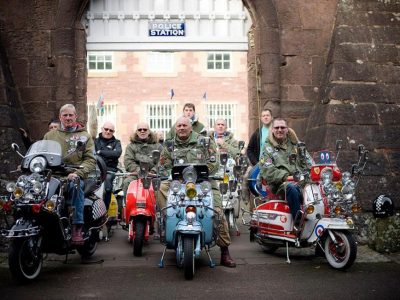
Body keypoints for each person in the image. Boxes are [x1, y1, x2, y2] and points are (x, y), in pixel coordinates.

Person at [158, 116, 236, 267]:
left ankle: (225, 251)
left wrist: (201, 173)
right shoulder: (169, 145)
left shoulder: (205, 141)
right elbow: (163, 166)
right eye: (179, 125)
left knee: (218, 211)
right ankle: (167, 221)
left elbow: (214, 161)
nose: (181, 128)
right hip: (177, 183)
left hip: (204, 182)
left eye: (184, 125)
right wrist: (175, 176)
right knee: (161, 188)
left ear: (191, 128)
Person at [43, 104, 96, 245]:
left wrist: (77, 173)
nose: (68, 118)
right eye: (65, 115)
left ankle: (77, 226)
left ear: (75, 116)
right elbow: (42, 155)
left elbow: (90, 160)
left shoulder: (84, 136)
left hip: (75, 174)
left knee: (75, 186)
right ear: (60, 117)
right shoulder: (50, 135)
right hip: (54, 175)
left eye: (70, 115)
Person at [259, 118, 311, 224]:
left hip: (302, 181)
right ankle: (298, 222)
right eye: (277, 127)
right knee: (291, 187)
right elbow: (268, 170)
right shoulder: (268, 148)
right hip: (280, 185)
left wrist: (316, 170)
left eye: (282, 127)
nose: (279, 130)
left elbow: (308, 161)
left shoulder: (296, 144)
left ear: (287, 129)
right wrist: (286, 177)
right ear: (272, 130)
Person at [122, 122, 163, 197]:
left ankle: (158, 208)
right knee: (127, 182)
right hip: (137, 175)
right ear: (137, 132)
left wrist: (153, 171)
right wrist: (140, 171)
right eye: (140, 129)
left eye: (145, 129)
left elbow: (162, 161)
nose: (142, 131)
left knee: (163, 186)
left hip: (154, 175)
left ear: (149, 132)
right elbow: (128, 162)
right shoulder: (131, 146)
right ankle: (128, 206)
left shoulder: (158, 146)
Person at [94, 121, 122, 210]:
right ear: (102, 129)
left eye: (111, 130)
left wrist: (100, 152)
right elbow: (93, 155)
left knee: (107, 189)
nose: (108, 131)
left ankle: (105, 211)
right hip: (96, 170)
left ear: (113, 132)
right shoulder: (94, 141)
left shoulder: (116, 142)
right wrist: (110, 153)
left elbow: (117, 153)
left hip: (110, 171)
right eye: (106, 129)